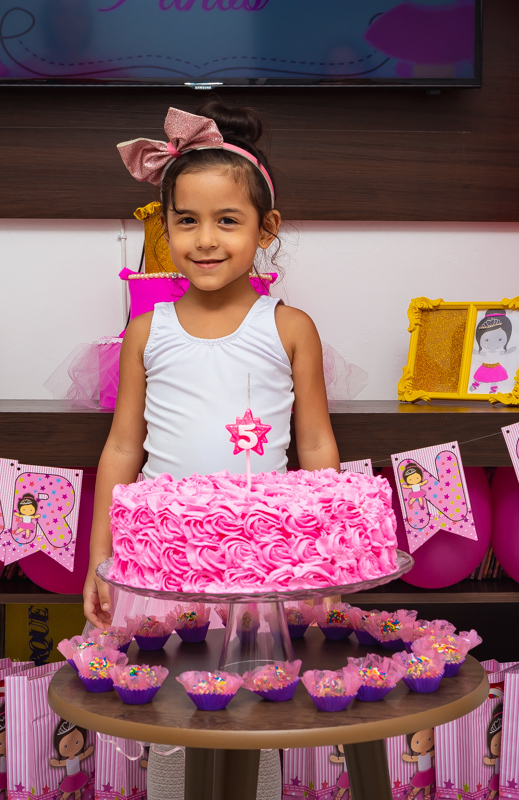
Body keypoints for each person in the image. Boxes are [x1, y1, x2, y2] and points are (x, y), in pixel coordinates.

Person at [83, 99, 337, 800]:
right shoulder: (148, 331)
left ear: (266, 229)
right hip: (161, 565)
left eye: (227, 220)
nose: (205, 239)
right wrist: (100, 558)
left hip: (260, 564)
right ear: (166, 230)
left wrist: (328, 555)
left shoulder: (290, 329)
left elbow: (315, 445)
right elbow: (121, 450)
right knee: (171, 715)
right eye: (186, 221)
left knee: (255, 713)